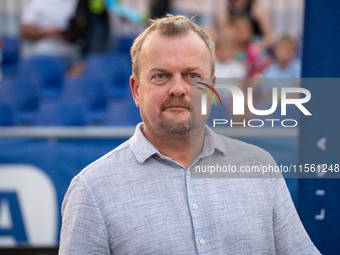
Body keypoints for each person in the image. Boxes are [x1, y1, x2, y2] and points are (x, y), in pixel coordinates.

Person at [59, 15, 320, 254]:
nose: (178, 89)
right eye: (161, 76)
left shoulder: (260, 168)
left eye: (192, 75)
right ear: (136, 90)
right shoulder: (92, 190)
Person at [20, 0, 81, 69]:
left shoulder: (80, 3)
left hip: (73, 53)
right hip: (45, 53)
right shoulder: (40, 2)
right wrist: (47, 32)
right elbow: (25, 31)